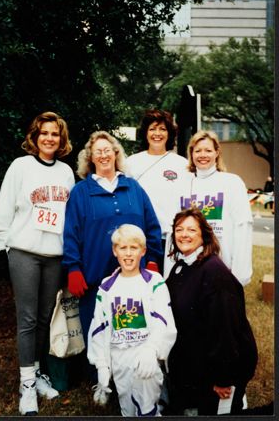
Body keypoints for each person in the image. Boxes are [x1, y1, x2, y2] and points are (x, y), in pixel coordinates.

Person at [0, 111, 75, 415]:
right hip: (25, 251)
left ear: (61, 139)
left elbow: (69, 216)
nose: (50, 138)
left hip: (53, 255)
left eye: (55, 133)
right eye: (44, 133)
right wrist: (6, 243)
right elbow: (4, 209)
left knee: (44, 318)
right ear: (35, 137)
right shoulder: (20, 166)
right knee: (26, 319)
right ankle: (26, 385)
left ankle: (37, 372)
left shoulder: (66, 172)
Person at [62, 131, 162, 352]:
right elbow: (70, 233)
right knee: (97, 327)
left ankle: (132, 371)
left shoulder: (133, 188)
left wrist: (153, 259)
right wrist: (73, 268)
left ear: (116, 154)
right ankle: (99, 376)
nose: (104, 155)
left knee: (133, 326)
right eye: (98, 151)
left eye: (108, 150)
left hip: (134, 277)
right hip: (94, 277)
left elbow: (152, 226)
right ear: (90, 158)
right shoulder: (80, 192)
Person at [165, 208, 258, 416]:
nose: (184, 235)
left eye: (191, 229)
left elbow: (226, 329)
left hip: (221, 371)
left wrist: (223, 378)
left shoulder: (214, 272)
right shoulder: (181, 267)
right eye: (179, 229)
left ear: (204, 235)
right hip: (196, 366)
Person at [87, 224, 177, 416]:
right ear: (114, 251)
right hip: (120, 358)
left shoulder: (154, 282)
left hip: (146, 356)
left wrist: (152, 349)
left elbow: (164, 321)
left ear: (143, 251)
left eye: (134, 248)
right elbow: (99, 328)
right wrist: (102, 365)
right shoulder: (106, 287)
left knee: (147, 406)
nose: (128, 254)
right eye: (123, 248)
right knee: (127, 408)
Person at [164, 130, 253, 286]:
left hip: (222, 265)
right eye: (197, 150)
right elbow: (173, 231)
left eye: (208, 150)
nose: (202, 155)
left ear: (217, 152)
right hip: (189, 267)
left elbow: (243, 226)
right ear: (191, 154)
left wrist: (240, 274)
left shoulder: (232, 183)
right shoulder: (181, 185)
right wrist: (169, 273)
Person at [126, 109, 188, 272]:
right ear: (145, 133)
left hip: (171, 239)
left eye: (162, 129)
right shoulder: (131, 163)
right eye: (152, 129)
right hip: (139, 239)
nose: (157, 134)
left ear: (169, 134)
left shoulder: (182, 164)